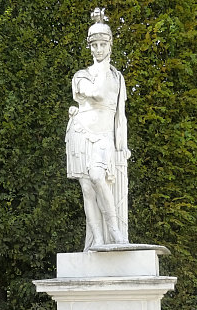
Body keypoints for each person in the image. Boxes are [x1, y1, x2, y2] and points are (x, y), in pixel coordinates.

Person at [66, 7, 130, 250]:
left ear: (110, 45)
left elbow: (120, 117)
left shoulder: (118, 78)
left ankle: (114, 229)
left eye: (103, 44)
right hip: (80, 134)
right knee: (87, 189)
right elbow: (97, 94)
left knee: (97, 177)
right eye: (94, 45)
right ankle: (97, 239)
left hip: (104, 137)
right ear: (90, 47)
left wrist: (122, 147)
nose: (98, 49)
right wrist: (102, 69)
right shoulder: (82, 75)